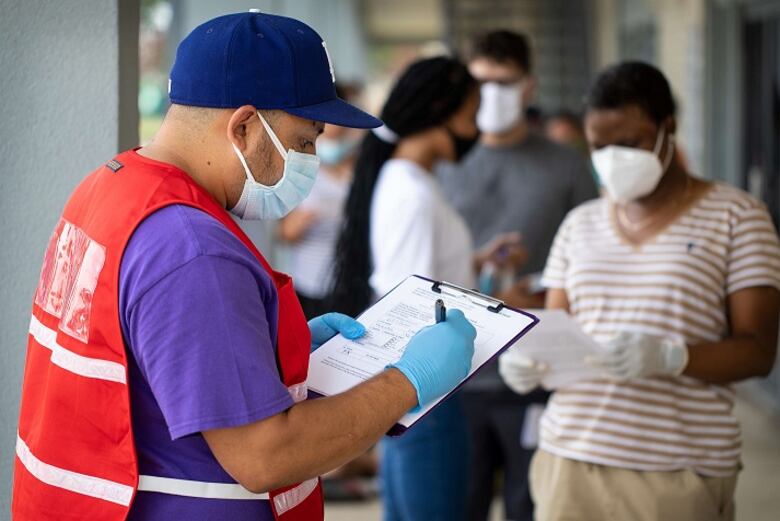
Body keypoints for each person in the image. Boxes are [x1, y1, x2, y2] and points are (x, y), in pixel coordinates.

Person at [12, 12, 478, 521]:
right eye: (306, 139)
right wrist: (409, 379)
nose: (312, 156)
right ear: (245, 126)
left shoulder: (110, 187)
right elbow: (266, 456)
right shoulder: (194, 249)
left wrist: (270, 342)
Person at [499, 61, 780, 521]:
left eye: (628, 143)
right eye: (598, 146)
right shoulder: (580, 224)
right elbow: (554, 329)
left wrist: (673, 357)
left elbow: (758, 352)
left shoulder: (737, 217)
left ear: (668, 129)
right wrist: (529, 364)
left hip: (678, 471)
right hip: (569, 457)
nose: (612, 158)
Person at [329, 55, 517, 521]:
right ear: (439, 110)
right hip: (427, 394)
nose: (476, 130)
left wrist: (473, 266)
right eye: (471, 115)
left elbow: (423, 277)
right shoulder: (409, 189)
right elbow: (409, 301)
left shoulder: (411, 182)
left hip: (427, 393)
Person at [436, 30, 598, 521]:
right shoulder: (442, 162)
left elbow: (593, 263)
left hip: (537, 370)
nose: (491, 96)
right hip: (453, 373)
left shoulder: (565, 166)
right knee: (459, 504)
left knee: (533, 504)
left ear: (529, 86)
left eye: (504, 83)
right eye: (480, 83)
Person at [278, 84, 364, 319]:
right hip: (312, 286)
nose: (332, 128)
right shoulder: (302, 170)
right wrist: (301, 222)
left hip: (349, 283)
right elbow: (285, 232)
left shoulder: (359, 166)